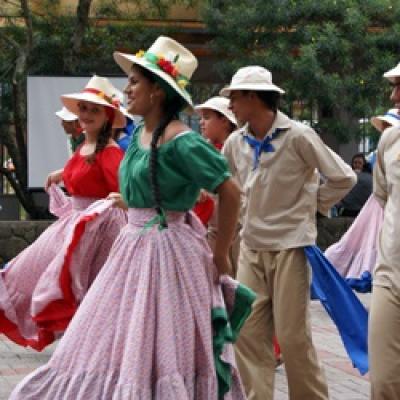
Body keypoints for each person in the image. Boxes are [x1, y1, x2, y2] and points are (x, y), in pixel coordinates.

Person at [9, 36, 254, 399]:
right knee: (107, 331)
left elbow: (230, 191)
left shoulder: (182, 139)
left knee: (160, 338)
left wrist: (220, 252)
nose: (128, 89)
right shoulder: (141, 133)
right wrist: (128, 201)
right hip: (133, 244)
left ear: (158, 92)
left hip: (168, 251)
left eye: (136, 82)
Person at [220, 66, 356, 400]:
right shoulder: (235, 142)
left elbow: (343, 178)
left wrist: (310, 207)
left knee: (293, 338)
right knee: (248, 335)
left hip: (291, 247)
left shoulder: (298, 135)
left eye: (235, 97)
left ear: (254, 97)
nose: (231, 105)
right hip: (251, 248)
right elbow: (224, 188)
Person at [0, 75, 126, 351]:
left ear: (107, 116)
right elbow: (79, 174)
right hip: (78, 223)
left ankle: (91, 346)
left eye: (95, 110)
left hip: (99, 228)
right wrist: (60, 173)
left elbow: (122, 193)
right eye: (83, 108)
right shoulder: (85, 147)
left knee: (82, 286)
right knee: (32, 267)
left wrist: (107, 211)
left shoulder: (110, 152)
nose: (86, 114)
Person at [368, 61, 400, 399]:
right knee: (384, 381)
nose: (393, 96)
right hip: (390, 275)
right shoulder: (390, 140)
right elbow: (384, 196)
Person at [336, 153, 372, 217]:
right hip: (350, 210)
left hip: (360, 210)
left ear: (364, 164)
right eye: (355, 163)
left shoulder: (368, 177)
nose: (357, 165)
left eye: (359, 163)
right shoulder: (347, 175)